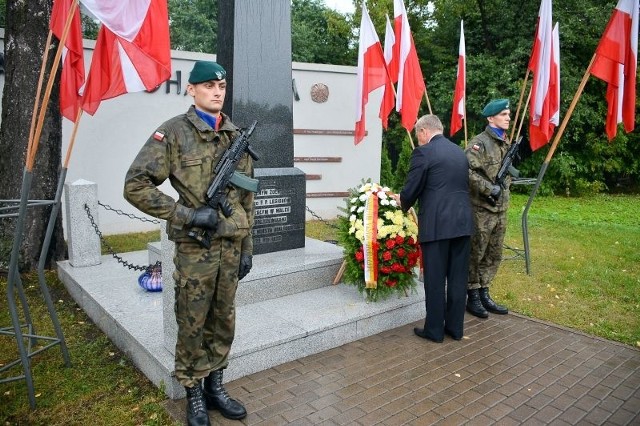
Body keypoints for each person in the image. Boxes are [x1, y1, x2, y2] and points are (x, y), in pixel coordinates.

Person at [124, 61, 255, 425]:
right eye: (208, 85)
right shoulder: (174, 133)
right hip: (196, 249)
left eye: (222, 86)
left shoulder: (236, 135)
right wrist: (186, 214)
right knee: (193, 322)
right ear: (191, 90)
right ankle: (193, 392)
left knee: (223, 319)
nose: (217, 91)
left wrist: (247, 248)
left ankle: (216, 385)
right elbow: (135, 185)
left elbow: (247, 200)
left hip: (230, 247)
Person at [394, 114, 474, 343]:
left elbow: (411, 190)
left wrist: (402, 200)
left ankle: (434, 331)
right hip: (462, 224)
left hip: (438, 225)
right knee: (458, 279)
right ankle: (455, 329)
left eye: (418, 135)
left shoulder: (424, 152)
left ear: (424, 132)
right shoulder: (460, 152)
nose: (418, 140)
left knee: (436, 279)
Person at [465, 99, 512, 319]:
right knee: (477, 253)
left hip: (501, 210)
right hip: (482, 210)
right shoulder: (479, 144)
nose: (508, 118)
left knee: (494, 253)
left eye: (509, 114)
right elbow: (468, 173)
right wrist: (488, 189)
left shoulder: (505, 142)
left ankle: (485, 291)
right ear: (490, 118)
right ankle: (472, 294)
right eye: (503, 114)